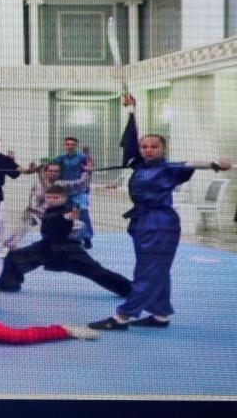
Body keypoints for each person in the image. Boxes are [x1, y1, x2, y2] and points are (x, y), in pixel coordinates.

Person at [88, 128, 231, 330]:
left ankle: (122, 317)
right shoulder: (140, 166)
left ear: (163, 149)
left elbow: (190, 163)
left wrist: (214, 163)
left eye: (154, 146)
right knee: (157, 270)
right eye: (144, 146)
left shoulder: (169, 168)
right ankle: (161, 314)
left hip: (160, 224)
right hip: (141, 222)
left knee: (147, 272)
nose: (149, 150)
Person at [0, 184, 132, 296]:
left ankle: (131, 290)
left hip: (67, 251)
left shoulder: (66, 211)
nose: (51, 200)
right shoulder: (48, 208)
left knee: (97, 272)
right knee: (13, 258)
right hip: (46, 249)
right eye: (49, 197)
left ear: (64, 198)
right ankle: (8, 285)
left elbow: (68, 216)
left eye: (56, 198)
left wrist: (71, 217)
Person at [0, 161, 92, 256]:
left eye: (56, 171)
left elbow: (81, 185)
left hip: (57, 215)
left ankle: (64, 245)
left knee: (80, 225)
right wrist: (48, 215)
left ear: (59, 173)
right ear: (46, 172)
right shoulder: (37, 186)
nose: (53, 173)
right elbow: (33, 205)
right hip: (35, 214)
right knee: (24, 224)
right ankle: (8, 246)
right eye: (51, 171)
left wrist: (87, 172)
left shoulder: (63, 185)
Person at [52, 137, 95, 248]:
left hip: (80, 191)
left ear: (76, 146)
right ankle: (66, 237)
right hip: (65, 192)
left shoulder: (82, 157)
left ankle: (87, 238)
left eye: (72, 144)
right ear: (64, 146)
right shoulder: (60, 159)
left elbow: (90, 165)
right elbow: (50, 167)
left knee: (83, 213)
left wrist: (88, 154)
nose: (70, 146)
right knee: (64, 215)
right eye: (68, 144)